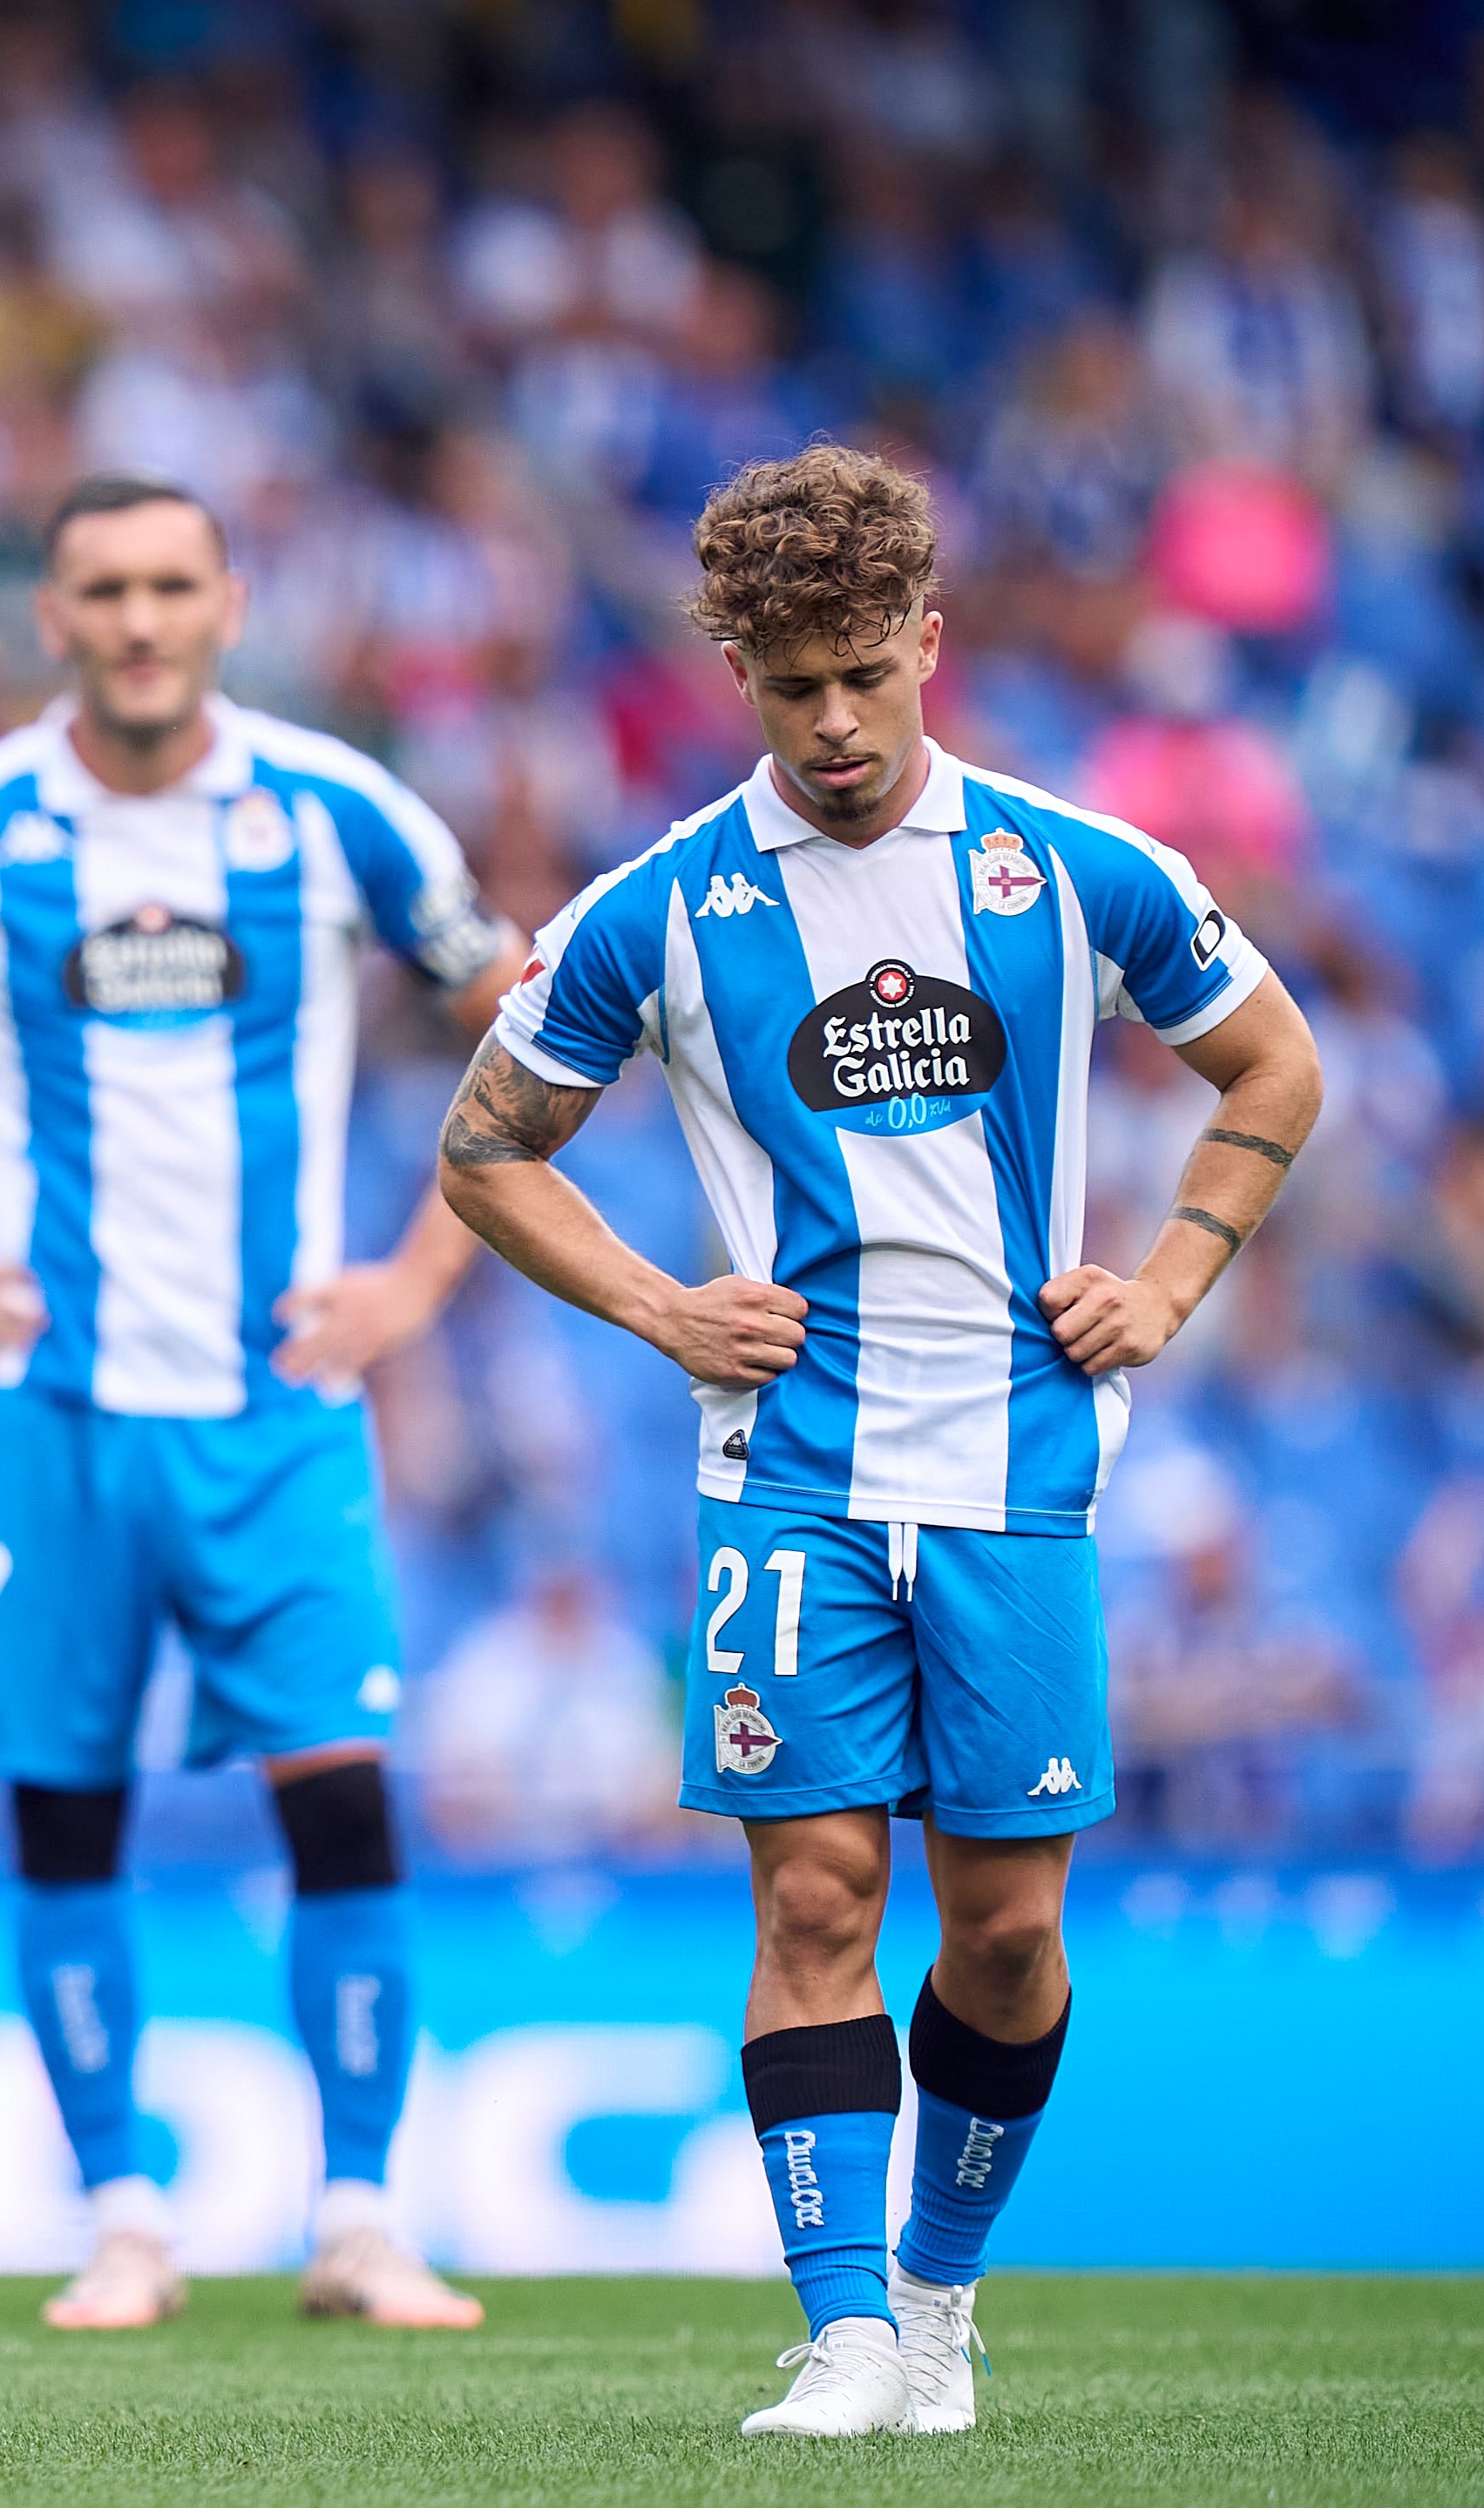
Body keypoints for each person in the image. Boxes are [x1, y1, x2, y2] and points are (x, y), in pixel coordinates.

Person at [433, 444, 1323, 2438]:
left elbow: (1276, 1061)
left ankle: (935, 2298)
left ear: (930, 644)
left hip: (1020, 1478)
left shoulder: (1070, 869)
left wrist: (1171, 1280)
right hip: (791, 1479)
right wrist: (663, 1308)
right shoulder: (654, 910)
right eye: (787, 681)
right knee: (815, 1899)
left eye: (863, 672)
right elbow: (484, 1153)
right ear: (733, 675)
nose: (832, 721)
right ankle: (840, 2334)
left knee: (1006, 1938)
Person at [0, 473, 519, 2335]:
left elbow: (531, 1018)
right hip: (44, 1414)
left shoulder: (335, 815)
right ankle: (125, 2219)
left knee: (343, 1803)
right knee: (66, 1817)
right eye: (103, 591)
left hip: (278, 1402)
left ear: (229, 603)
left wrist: (418, 1275)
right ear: (49, 617)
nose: (141, 621)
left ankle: (364, 2216)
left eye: (172, 585)